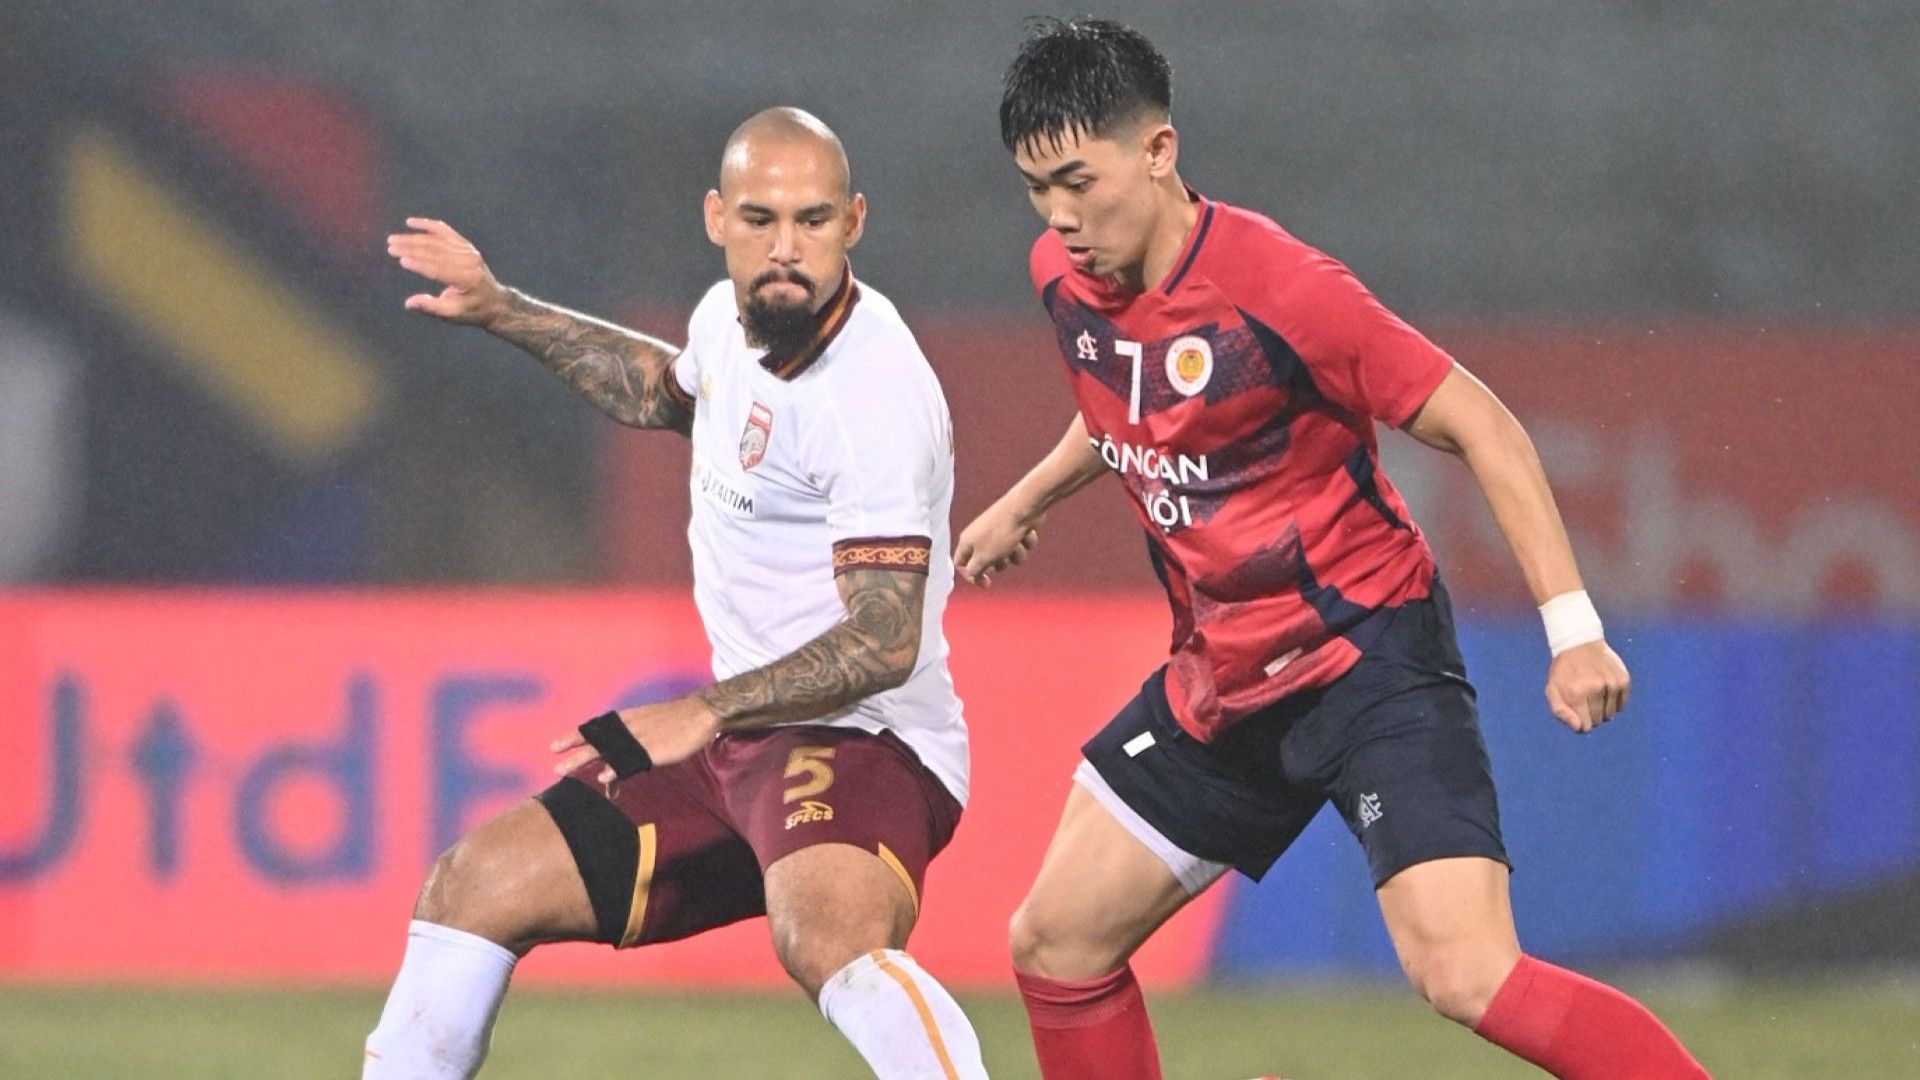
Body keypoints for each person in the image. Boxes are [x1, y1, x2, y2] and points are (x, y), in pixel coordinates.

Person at [956, 18, 1710, 1080]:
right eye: (1038, 188)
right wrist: (1028, 499)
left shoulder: (1284, 290)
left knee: (1466, 974)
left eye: (1080, 181)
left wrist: (1574, 632)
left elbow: (1483, 425)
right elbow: (1129, 402)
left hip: (1366, 662)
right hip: (1221, 680)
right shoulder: (1067, 278)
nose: (1061, 218)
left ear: (1159, 151)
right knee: (1056, 945)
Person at [367, 106, 987, 1080]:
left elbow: (881, 641)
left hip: (863, 739)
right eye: (759, 219)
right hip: (736, 739)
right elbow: (662, 393)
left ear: (855, 222)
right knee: (471, 886)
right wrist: (502, 308)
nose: (786, 248)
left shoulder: (874, 396)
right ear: (715, 218)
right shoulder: (726, 319)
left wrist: (702, 710)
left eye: (814, 221)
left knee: (827, 942)